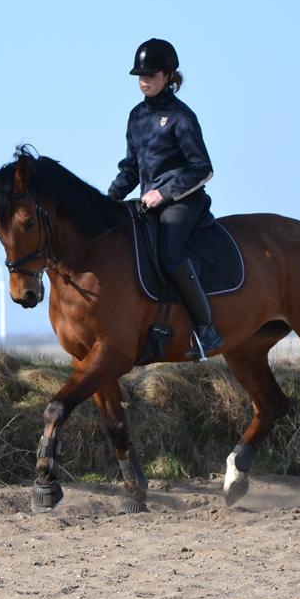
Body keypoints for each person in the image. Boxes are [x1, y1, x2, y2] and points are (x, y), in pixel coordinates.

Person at [108, 38, 224, 360]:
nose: (143, 80)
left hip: (184, 201)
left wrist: (165, 193)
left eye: (150, 74)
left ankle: (206, 331)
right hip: (148, 202)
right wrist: (108, 199)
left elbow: (203, 168)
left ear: (168, 75)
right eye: (139, 75)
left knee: (167, 251)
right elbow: (130, 169)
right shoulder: (136, 117)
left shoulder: (181, 117)